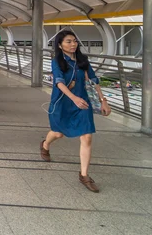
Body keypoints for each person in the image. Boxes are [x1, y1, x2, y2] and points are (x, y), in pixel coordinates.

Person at [40, 30, 111, 193]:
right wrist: (73, 98)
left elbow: (94, 81)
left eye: (74, 41)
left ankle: (84, 175)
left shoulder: (83, 60)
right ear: (60, 45)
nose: (73, 44)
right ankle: (45, 144)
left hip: (83, 103)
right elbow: (59, 82)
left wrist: (103, 101)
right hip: (63, 103)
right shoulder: (57, 61)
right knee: (58, 133)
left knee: (86, 137)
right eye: (68, 42)